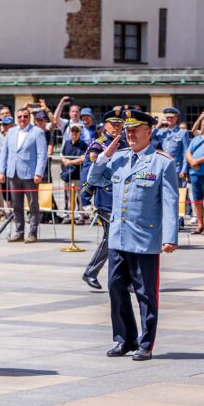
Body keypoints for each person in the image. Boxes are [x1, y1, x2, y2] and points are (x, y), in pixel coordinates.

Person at [88, 108, 178, 361]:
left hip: (144, 239)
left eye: (135, 130)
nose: (130, 135)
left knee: (146, 293)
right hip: (119, 236)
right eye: (127, 131)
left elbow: (170, 202)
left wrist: (170, 237)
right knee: (115, 286)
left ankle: (146, 343)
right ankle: (124, 339)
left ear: (148, 132)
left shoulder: (162, 162)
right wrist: (105, 155)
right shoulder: (118, 158)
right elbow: (94, 178)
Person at [79, 111, 127, 289]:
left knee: (122, 238)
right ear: (105, 125)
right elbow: (89, 171)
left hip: (122, 198)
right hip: (105, 198)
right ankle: (91, 272)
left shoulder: (126, 143)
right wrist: (85, 197)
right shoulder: (98, 145)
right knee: (110, 238)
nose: (116, 127)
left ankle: (125, 277)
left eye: (119, 124)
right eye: (113, 124)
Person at [0, 107, 47, 242]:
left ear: (29, 117)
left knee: (33, 205)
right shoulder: (11, 132)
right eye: (19, 117)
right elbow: (4, 153)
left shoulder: (37, 132)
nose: (22, 119)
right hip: (13, 173)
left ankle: (32, 233)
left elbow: (42, 154)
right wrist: (1, 171)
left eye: (25, 116)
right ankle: (19, 232)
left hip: (30, 174)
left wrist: (39, 172)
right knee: (16, 205)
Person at [59, 123, 89, 221]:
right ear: (69, 132)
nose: (74, 133)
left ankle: (81, 215)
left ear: (80, 133)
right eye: (73, 130)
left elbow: (83, 158)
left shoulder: (84, 145)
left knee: (80, 196)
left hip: (79, 175)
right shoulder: (66, 143)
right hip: (68, 175)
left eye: (77, 131)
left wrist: (70, 162)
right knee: (69, 196)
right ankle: (70, 215)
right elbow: (62, 155)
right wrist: (65, 160)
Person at [152, 107, 190, 183]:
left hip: (176, 168)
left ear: (176, 118)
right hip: (162, 167)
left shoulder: (182, 133)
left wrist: (184, 169)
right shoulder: (161, 132)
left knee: (177, 189)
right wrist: (158, 125)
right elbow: (150, 136)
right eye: (167, 117)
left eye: (171, 117)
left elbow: (186, 152)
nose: (169, 119)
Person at [186, 125, 204, 234]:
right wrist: (191, 161)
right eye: (203, 125)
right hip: (195, 174)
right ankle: (200, 225)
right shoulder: (196, 139)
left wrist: (196, 161)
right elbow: (188, 152)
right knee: (197, 201)